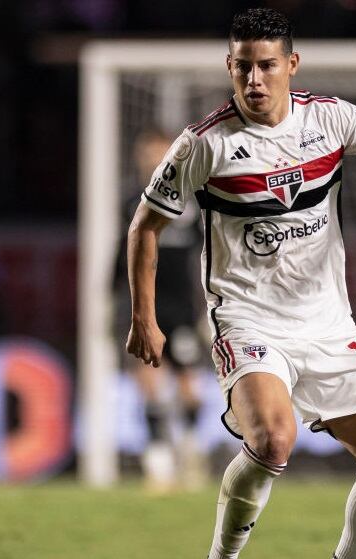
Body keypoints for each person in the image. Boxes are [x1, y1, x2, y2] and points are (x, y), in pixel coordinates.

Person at [124, 8, 356, 559]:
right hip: (248, 320)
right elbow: (144, 226)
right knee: (273, 439)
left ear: (292, 64)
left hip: (328, 325)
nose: (255, 80)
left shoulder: (331, 119)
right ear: (230, 67)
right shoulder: (203, 143)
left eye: (267, 66)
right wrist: (144, 318)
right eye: (243, 67)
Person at [115, 129, 207, 491]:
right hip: (142, 304)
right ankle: (158, 461)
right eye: (146, 152)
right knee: (149, 382)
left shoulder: (192, 201)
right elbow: (121, 252)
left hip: (182, 307)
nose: (151, 159)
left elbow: (210, 250)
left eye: (157, 151)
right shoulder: (131, 202)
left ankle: (189, 447)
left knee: (188, 387)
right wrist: (112, 298)